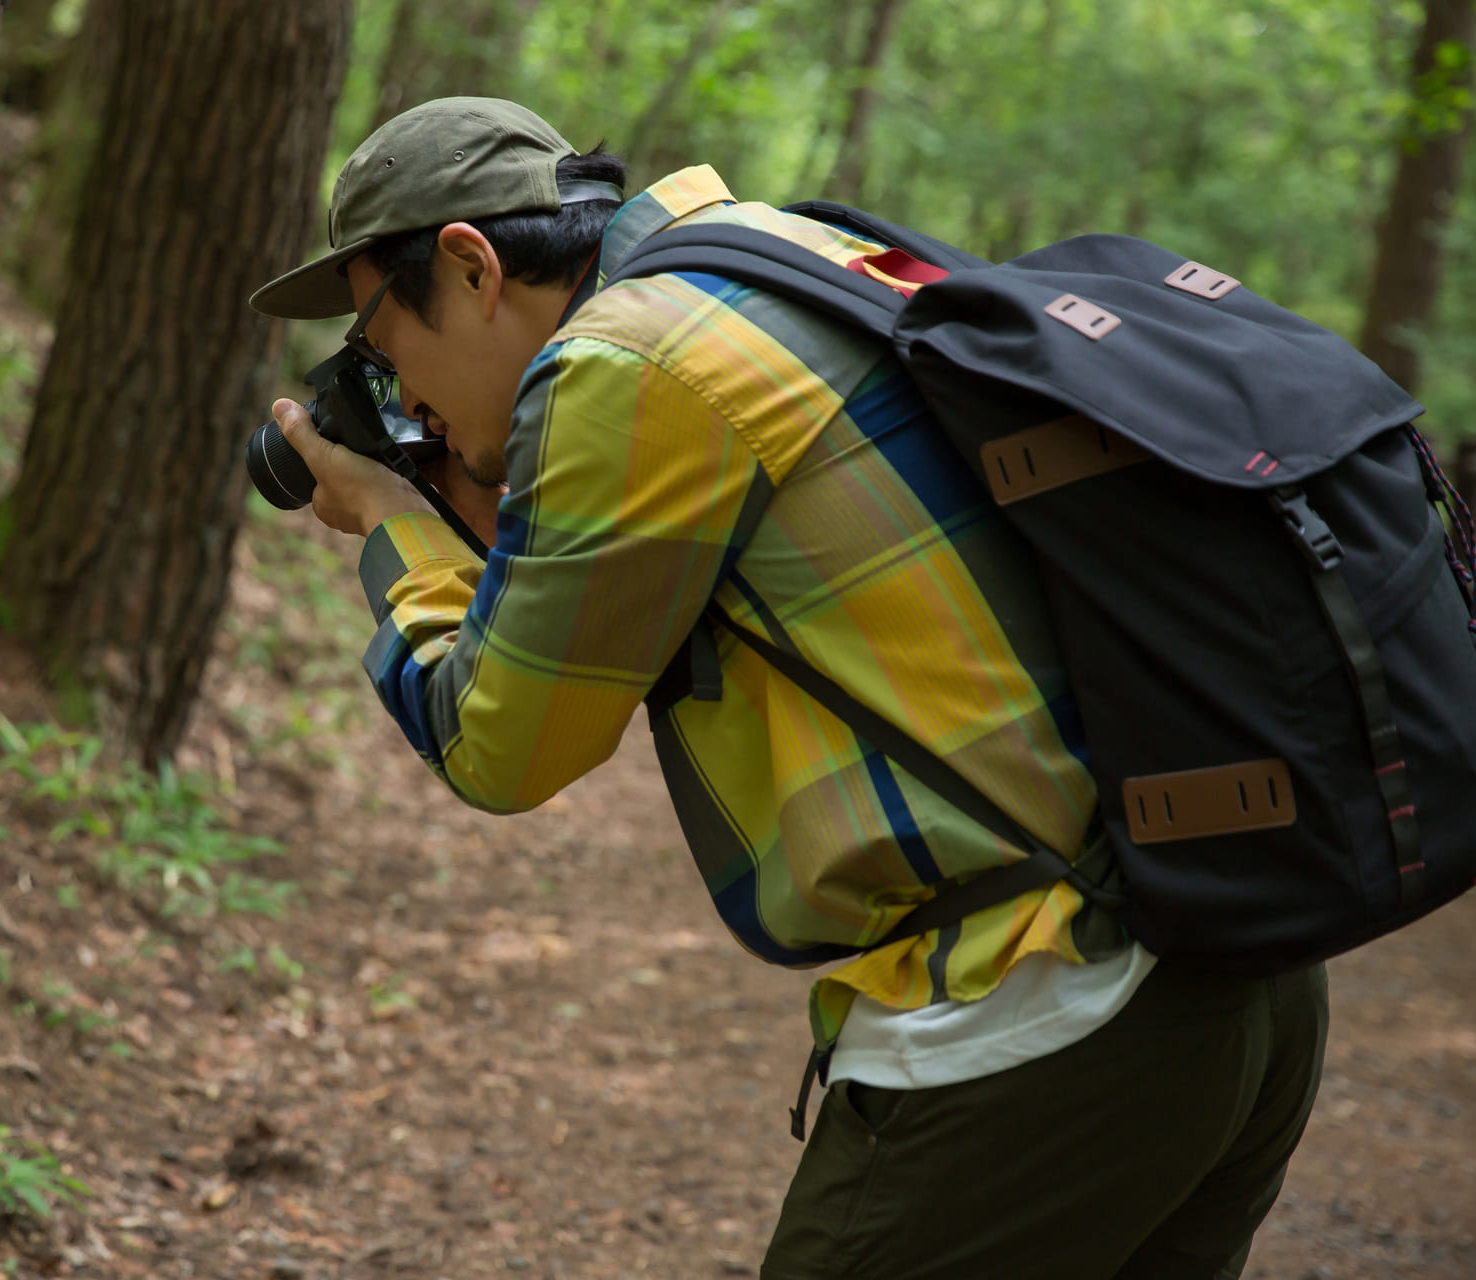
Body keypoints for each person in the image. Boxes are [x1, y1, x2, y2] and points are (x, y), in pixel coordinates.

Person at [249, 97, 1327, 1280]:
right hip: (1238, 962)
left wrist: (394, 526)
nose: (398, 398)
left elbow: (500, 748)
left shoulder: (624, 360)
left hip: (1049, 1003)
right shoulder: (791, 256)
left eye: (384, 348)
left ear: (469, 267)